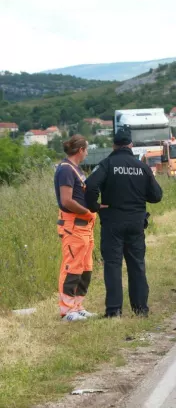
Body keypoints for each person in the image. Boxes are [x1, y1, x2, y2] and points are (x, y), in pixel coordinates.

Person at [85, 129, 164, 317]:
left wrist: (95, 206)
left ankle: (114, 311)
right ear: (131, 145)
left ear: (114, 145)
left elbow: (90, 186)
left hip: (112, 222)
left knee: (113, 265)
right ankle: (140, 309)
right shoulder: (141, 166)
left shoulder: (107, 164)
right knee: (137, 265)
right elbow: (157, 196)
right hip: (136, 222)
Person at [54, 135, 98, 321]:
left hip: (85, 227)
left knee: (85, 268)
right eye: (86, 149)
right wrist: (86, 213)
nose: (87, 153)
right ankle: (67, 310)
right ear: (80, 150)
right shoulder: (65, 170)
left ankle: (77, 305)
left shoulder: (76, 170)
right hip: (74, 225)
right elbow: (66, 201)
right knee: (72, 268)